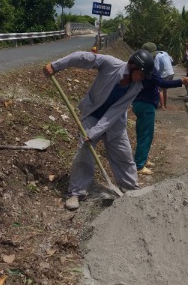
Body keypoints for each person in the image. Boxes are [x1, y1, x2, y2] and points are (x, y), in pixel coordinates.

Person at [43, 49, 155, 211]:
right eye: (142, 74)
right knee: (85, 151)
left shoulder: (136, 86)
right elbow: (81, 57)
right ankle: (77, 192)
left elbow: (114, 112)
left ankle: (130, 187)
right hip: (92, 114)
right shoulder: (111, 64)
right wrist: (56, 66)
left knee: (123, 153)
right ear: (132, 66)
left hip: (114, 120)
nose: (142, 78)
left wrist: (95, 132)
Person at [132, 67, 188, 175]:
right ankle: (139, 165)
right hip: (146, 106)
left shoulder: (141, 68)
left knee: (143, 134)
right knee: (145, 135)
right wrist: (181, 81)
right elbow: (162, 83)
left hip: (140, 103)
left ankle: (142, 159)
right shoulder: (149, 69)